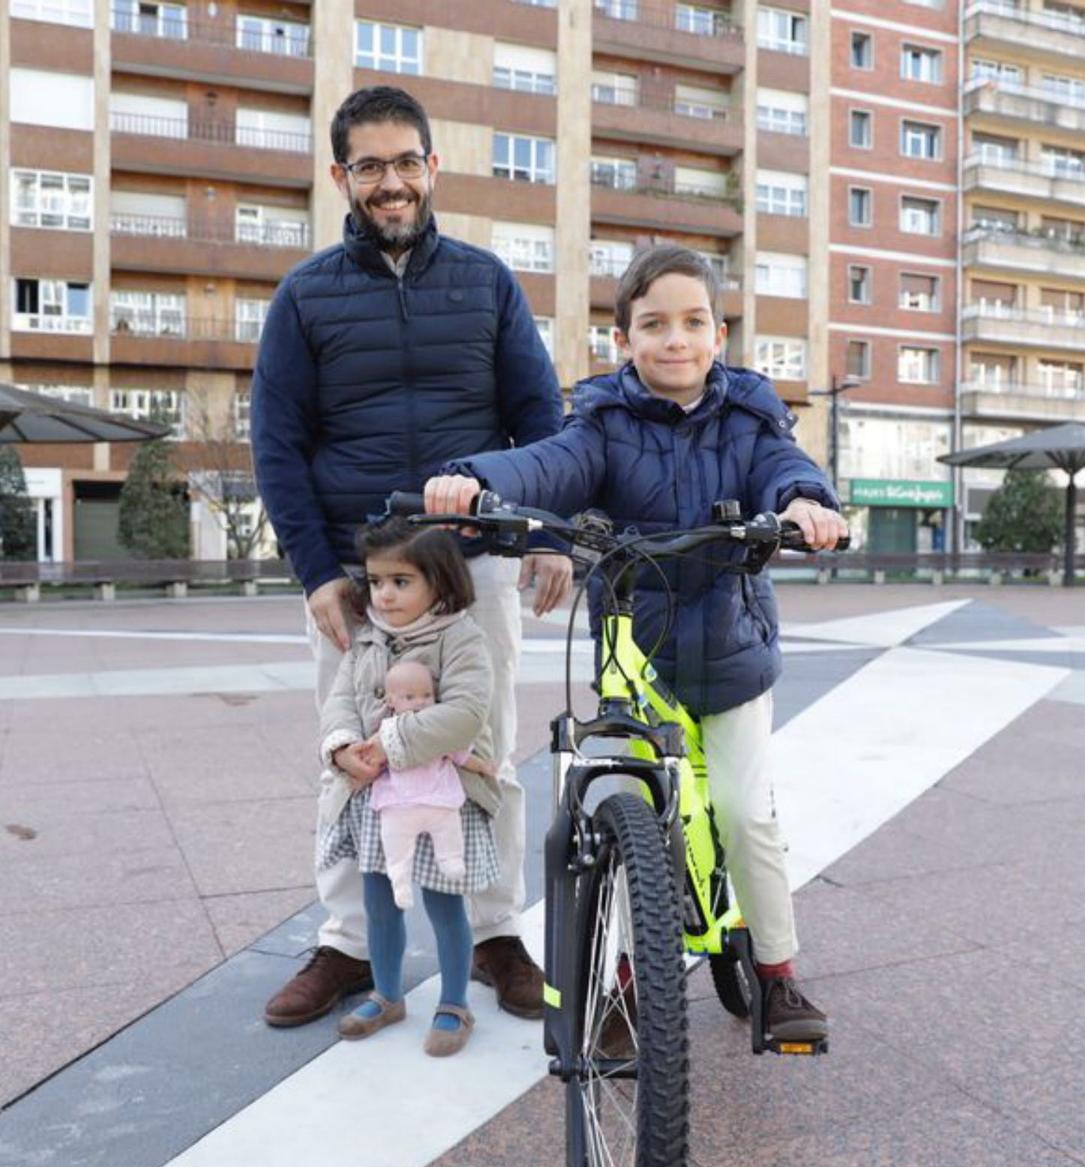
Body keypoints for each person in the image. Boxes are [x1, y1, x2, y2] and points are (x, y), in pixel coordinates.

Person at [426, 245, 848, 1042]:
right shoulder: (603, 422)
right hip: (636, 649)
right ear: (623, 340)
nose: (675, 340)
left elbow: (784, 467)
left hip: (729, 650)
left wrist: (804, 504)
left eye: (693, 323)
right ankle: (626, 972)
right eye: (653, 325)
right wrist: (473, 480)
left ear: (718, 336)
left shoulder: (751, 415)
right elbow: (547, 465)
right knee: (624, 807)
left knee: (742, 810)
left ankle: (777, 973)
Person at [251, 85, 573, 1028]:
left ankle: (495, 932)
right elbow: (277, 443)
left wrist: (546, 532)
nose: (389, 183)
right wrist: (314, 570)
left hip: (473, 569)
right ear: (341, 176)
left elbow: (541, 420)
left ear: (433, 167)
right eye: (369, 166)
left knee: (485, 749)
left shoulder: (487, 281)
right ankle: (347, 945)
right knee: (348, 753)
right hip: (360, 579)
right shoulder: (305, 295)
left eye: (405, 162)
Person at [318, 517, 499, 1055]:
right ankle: (388, 993)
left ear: (438, 582)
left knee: (445, 903)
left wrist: (389, 743)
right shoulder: (369, 637)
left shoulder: (461, 638)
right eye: (376, 582)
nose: (385, 594)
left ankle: (454, 1002)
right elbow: (342, 699)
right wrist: (343, 747)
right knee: (379, 900)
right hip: (381, 799)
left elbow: (466, 713)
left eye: (401, 582)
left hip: (445, 797)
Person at [362, 659, 496, 909]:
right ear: (390, 701)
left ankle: (451, 859)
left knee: (449, 828)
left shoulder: (437, 729)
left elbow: (461, 756)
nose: (421, 702)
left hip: (439, 799)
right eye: (409, 697)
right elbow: (371, 756)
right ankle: (399, 880)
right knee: (396, 845)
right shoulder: (386, 731)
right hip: (399, 803)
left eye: (427, 695)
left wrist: (483, 766)